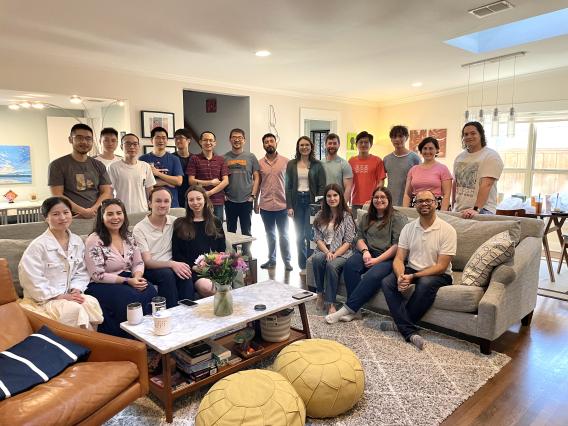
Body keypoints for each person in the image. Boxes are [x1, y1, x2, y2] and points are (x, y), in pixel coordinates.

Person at [380, 190, 456, 350]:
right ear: (415, 205)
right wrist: (401, 276)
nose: (424, 204)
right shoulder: (408, 228)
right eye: (420, 201)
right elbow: (399, 258)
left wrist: (413, 276)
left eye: (428, 200)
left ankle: (401, 327)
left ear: (436, 203)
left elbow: (441, 266)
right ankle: (408, 330)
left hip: (439, 274)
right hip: (412, 268)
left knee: (425, 283)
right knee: (387, 282)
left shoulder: (448, 230)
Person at [18, 197, 103, 330]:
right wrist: (59, 296)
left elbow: (82, 271)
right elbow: (31, 280)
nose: (62, 217)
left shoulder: (77, 241)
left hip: (69, 295)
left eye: (66, 212)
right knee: (74, 310)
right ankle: (84, 342)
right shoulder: (37, 246)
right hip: (43, 300)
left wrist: (76, 289)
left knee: (90, 302)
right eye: (56, 214)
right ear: (46, 218)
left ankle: (92, 340)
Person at [325, 187, 407, 324]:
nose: (379, 200)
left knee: (372, 275)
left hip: (388, 257)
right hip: (368, 252)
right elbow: (358, 237)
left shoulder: (398, 218)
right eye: (376, 197)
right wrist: (365, 251)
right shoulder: (367, 217)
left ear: (389, 199)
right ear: (372, 199)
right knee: (350, 265)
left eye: (382, 197)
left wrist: (377, 260)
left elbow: (397, 245)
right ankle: (356, 312)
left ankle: (347, 309)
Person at [84, 199, 157, 338]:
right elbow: (97, 275)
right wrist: (127, 281)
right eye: (110, 214)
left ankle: (149, 336)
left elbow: (138, 262)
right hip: (101, 283)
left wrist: (137, 277)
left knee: (150, 290)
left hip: (127, 277)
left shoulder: (128, 236)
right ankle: (129, 340)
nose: (115, 217)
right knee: (130, 297)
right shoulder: (94, 240)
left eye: (119, 213)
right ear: (102, 217)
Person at [133, 187, 194, 308]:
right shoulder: (139, 228)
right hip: (152, 268)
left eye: (166, 201)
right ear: (150, 203)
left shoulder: (175, 222)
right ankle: (171, 313)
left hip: (172, 265)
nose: (162, 205)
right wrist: (172, 264)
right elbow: (147, 262)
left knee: (185, 271)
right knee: (167, 274)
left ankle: (189, 311)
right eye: (158, 201)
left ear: (171, 204)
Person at [48, 123, 112, 219]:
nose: (84, 142)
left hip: (97, 215)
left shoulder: (98, 165)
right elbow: (57, 195)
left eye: (88, 138)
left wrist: (93, 209)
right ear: (70, 139)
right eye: (79, 138)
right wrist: (83, 211)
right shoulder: (57, 165)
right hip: (70, 217)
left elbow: (106, 192)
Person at [172, 186, 226, 297]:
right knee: (208, 287)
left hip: (213, 267)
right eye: (191, 200)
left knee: (226, 284)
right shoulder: (180, 223)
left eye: (198, 198)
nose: (195, 202)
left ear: (205, 200)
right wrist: (194, 267)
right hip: (192, 269)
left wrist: (214, 264)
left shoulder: (215, 221)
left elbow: (222, 248)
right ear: (187, 202)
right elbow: (177, 254)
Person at [311, 184, 355, 314]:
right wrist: (327, 252)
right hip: (324, 250)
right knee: (317, 258)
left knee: (331, 265)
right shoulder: (320, 215)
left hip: (343, 252)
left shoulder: (347, 216)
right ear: (325, 198)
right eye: (329, 196)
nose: (332, 198)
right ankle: (320, 294)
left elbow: (348, 242)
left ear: (340, 197)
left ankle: (330, 303)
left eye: (335, 195)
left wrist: (334, 254)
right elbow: (317, 238)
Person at [285, 136, 326, 273]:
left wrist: (319, 205)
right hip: (297, 201)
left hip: (311, 202)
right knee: (298, 235)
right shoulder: (291, 164)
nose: (304, 147)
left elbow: (322, 186)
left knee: (310, 234)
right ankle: (302, 265)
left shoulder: (317, 165)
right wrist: (289, 206)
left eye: (307, 145)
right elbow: (288, 186)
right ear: (298, 147)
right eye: (301, 145)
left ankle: (310, 263)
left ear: (311, 147)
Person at [255, 133, 293, 271]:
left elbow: (290, 185)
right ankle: (272, 260)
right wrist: (256, 202)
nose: (269, 143)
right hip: (266, 206)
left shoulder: (286, 162)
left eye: (271, 141)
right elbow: (257, 184)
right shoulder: (259, 163)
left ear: (276, 143)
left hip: (282, 205)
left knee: (284, 235)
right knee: (270, 235)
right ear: (263, 145)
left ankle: (287, 261)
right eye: (266, 142)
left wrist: (290, 205)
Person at [453, 121, 504, 218]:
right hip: (459, 210)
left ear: (481, 135)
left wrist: (476, 209)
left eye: (473, 133)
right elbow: (456, 183)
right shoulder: (459, 157)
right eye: (466, 134)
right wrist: (453, 206)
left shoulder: (491, 156)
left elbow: (486, 185)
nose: (469, 136)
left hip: (482, 210)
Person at [223, 128, 259, 257]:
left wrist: (253, 195)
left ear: (244, 140)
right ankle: (232, 254)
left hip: (246, 200)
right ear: (230, 139)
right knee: (230, 229)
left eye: (240, 137)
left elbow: (257, 177)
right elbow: (222, 178)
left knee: (246, 229)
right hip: (230, 200)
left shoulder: (251, 157)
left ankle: (246, 252)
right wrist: (223, 195)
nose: (237, 140)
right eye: (234, 137)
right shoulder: (224, 158)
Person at [108, 133, 156, 214]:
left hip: (142, 211)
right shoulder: (113, 167)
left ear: (138, 146)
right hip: (121, 212)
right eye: (128, 144)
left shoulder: (145, 166)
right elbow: (109, 192)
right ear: (121, 147)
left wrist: (152, 209)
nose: (132, 147)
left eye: (135, 144)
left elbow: (150, 191)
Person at [187, 131, 229, 221]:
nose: (208, 142)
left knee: (217, 226)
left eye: (211, 140)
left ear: (215, 143)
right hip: (199, 201)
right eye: (205, 140)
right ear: (200, 142)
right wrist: (210, 182)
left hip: (217, 201)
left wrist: (209, 193)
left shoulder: (221, 160)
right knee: (200, 225)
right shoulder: (194, 159)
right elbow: (191, 181)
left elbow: (225, 181)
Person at [403, 137, 453, 211]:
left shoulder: (443, 169)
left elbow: (447, 195)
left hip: (435, 208)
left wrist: (442, 213)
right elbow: (407, 194)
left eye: (431, 148)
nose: (427, 151)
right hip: (416, 207)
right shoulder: (413, 169)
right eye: (425, 148)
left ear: (436, 150)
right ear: (421, 150)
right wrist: (405, 211)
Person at [139, 126, 184, 208]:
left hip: (172, 203)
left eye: (164, 138)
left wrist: (158, 174)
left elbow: (178, 181)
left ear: (167, 140)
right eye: (158, 137)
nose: (161, 140)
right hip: (151, 203)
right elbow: (142, 182)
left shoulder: (174, 159)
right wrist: (166, 182)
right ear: (151, 140)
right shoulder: (143, 159)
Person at [348, 131, 386, 217]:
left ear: (371, 145)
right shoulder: (351, 161)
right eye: (361, 142)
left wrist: (375, 197)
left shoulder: (377, 161)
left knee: (373, 224)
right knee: (356, 224)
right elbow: (348, 182)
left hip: (372, 202)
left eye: (366, 142)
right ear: (356, 144)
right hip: (355, 201)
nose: (363, 144)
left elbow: (381, 182)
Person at [383, 125, 420, 206]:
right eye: (394, 137)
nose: (397, 139)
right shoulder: (386, 159)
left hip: (409, 201)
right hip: (390, 201)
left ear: (406, 137)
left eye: (400, 136)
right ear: (391, 139)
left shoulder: (415, 158)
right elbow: (381, 180)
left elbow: (419, 181)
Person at [321, 133, 353, 201]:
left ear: (339, 145)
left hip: (338, 202)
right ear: (325, 145)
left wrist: (343, 204)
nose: (332, 146)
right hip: (323, 202)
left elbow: (348, 188)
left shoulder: (344, 164)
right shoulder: (320, 164)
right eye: (330, 143)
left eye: (335, 143)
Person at [173, 128, 192, 207]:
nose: (178, 140)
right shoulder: (171, 157)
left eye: (181, 138)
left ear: (188, 140)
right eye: (176, 138)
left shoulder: (194, 158)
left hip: (191, 194)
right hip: (175, 195)